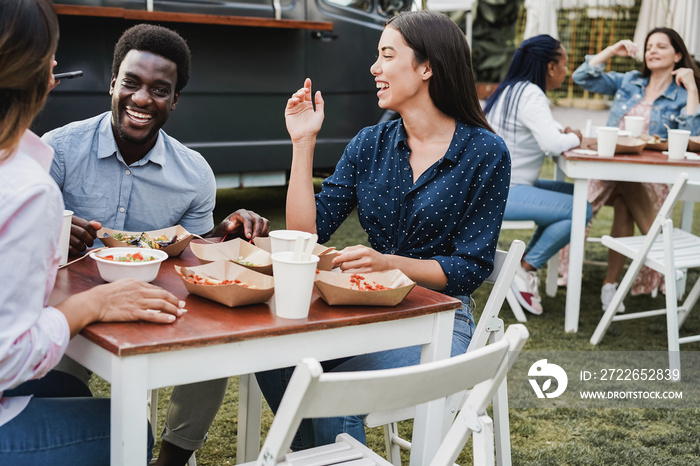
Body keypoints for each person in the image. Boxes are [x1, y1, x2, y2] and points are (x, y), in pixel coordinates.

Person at [256, 10, 510, 449]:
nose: (374, 67)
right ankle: (318, 458)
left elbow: (469, 268)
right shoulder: (369, 143)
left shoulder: (485, 152)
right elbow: (305, 236)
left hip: (440, 322)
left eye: (387, 55)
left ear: (427, 67)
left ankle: (326, 456)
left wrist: (389, 264)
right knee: (271, 357)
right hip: (367, 310)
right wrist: (303, 144)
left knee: (333, 393)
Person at [42, 24, 270, 465]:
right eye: (131, 82)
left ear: (175, 100)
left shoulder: (194, 173)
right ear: (113, 83)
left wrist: (224, 235)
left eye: (159, 89)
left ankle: (172, 459)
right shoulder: (60, 151)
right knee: (59, 382)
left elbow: (194, 253)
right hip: (71, 307)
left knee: (215, 343)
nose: (142, 99)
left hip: (154, 300)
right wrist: (53, 234)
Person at [0, 1, 186, 463]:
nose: (58, 64)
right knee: (127, 430)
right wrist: (94, 303)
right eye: (52, 53)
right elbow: (8, 357)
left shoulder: (193, 171)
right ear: (39, 74)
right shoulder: (27, 186)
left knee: (62, 385)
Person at [564, 27, 700, 311]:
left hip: (652, 172)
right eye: (649, 46)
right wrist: (612, 51)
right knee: (581, 206)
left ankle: (609, 285)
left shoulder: (680, 93)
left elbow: (692, 134)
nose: (652, 50)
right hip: (610, 164)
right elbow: (581, 77)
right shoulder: (630, 81)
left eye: (661, 46)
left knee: (628, 201)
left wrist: (692, 89)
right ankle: (665, 254)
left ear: (678, 55)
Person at [483, 34, 592, 315]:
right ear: (550, 67)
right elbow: (554, 143)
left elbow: (552, 130)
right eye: (565, 64)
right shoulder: (531, 94)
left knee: (577, 199)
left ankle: (524, 264)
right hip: (505, 191)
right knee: (581, 209)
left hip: (497, 186)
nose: (567, 71)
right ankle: (525, 267)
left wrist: (566, 134)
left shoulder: (511, 90)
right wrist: (577, 137)